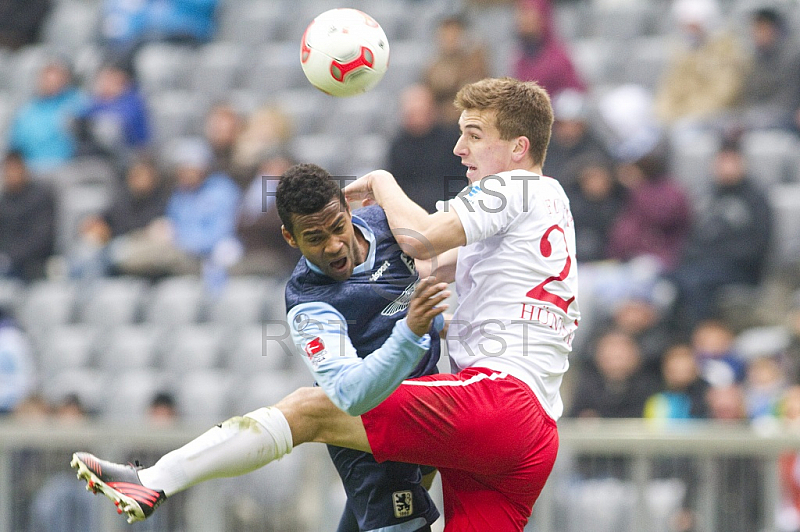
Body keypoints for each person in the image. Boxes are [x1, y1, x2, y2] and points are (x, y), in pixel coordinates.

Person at [72, 77, 578, 531]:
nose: (458, 146)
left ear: (519, 148)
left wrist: (381, 181)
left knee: (311, 409)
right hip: (531, 437)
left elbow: (422, 239)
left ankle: (156, 478)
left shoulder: (514, 187)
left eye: (474, 134)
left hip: (494, 402)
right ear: (292, 241)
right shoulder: (549, 206)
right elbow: (442, 273)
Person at [385, 83, 466, 213]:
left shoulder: (453, 140)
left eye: (420, 110)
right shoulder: (398, 145)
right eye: (411, 112)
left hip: (450, 208)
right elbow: (396, 185)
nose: (415, 116)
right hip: (412, 210)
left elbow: (461, 178)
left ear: (432, 110)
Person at [7, 58, 85, 175]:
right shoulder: (27, 110)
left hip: (66, 168)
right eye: (46, 77)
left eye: (56, 77)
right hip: (30, 170)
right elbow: (15, 144)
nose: (51, 81)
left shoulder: (77, 102)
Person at [0, 151, 57, 282]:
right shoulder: (3, 202)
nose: (11, 174)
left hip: (34, 266)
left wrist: (11, 257)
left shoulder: (40, 197)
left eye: (15, 169)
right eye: (7, 170)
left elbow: (43, 238)